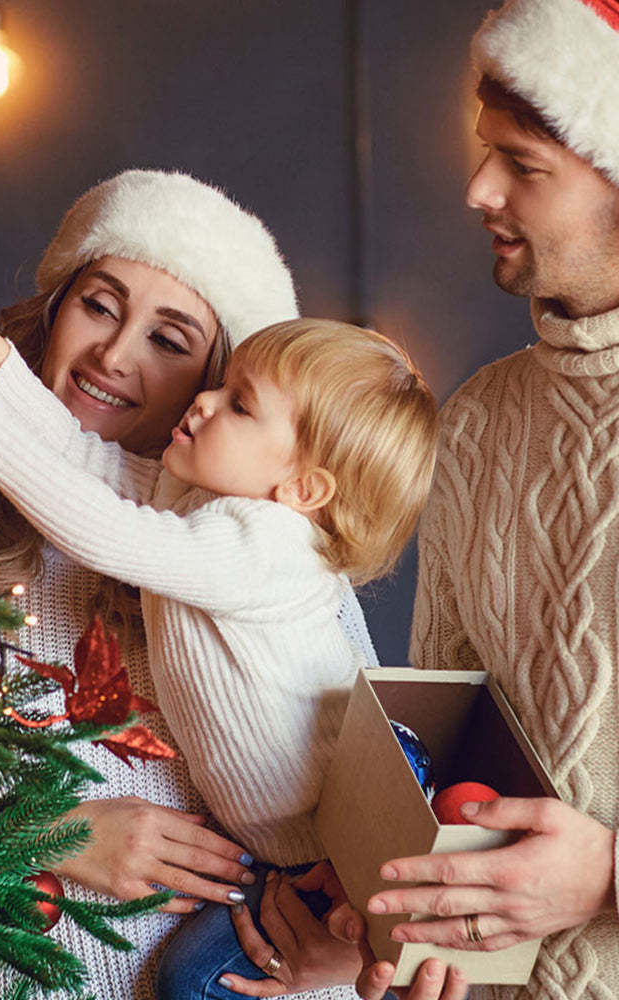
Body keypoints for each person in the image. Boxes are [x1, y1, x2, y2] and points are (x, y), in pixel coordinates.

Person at [0, 168, 381, 999]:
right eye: (98, 305)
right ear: (56, 311)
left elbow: (369, 815)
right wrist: (48, 833)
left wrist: (350, 949)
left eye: (169, 341)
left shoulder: (279, 558)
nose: (114, 357)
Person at [226, 2, 619, 998]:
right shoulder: (481, 419)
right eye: (485, 153)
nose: (477, 189)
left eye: (522, 165)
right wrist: (380, 891)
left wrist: (605, 876)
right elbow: (443, 728)